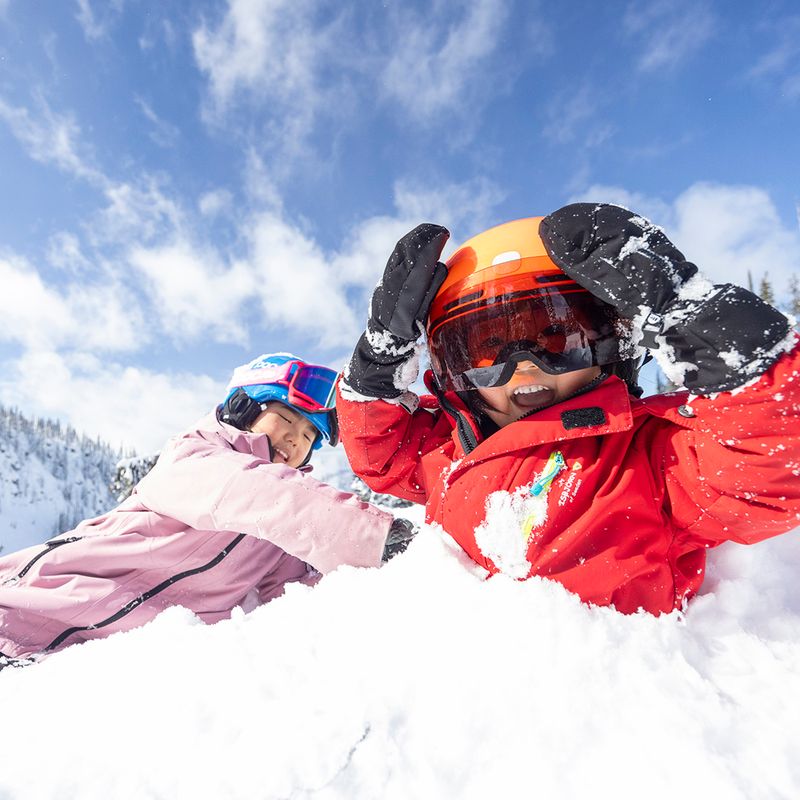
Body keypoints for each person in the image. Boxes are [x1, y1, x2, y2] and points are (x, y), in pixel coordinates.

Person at [336, 206, 800, 615]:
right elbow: (381, 453)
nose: (520, 367)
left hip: (603, 694)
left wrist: (686, 313)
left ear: (608, 344)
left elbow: (771, 460)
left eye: (553, 338)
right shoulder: (449, 454)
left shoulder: (654, 456)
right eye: (486, 350)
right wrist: (378, 366)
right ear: (453, 369)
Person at [0, 353, 413, 669]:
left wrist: (406, 583)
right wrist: (380, 539)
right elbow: (262, 495)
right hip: (20, 615)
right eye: (285, 418)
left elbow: (295, 598)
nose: (295, 440)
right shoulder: (194, 457)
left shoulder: (277, 537)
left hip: (80, 665)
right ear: (243, 410)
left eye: (309, 436)